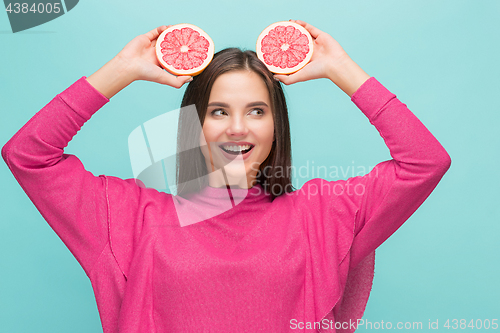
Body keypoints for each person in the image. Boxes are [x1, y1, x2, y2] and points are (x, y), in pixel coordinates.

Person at [2, 20, 451, 332]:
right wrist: (121, 70)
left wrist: (340, 68)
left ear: (277, 124)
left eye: (256, 111)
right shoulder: (132, 218)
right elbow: (28, 155)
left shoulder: (323, 213)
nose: (238, 128)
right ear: (193, 124)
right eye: (218, 111)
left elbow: (425, 163)